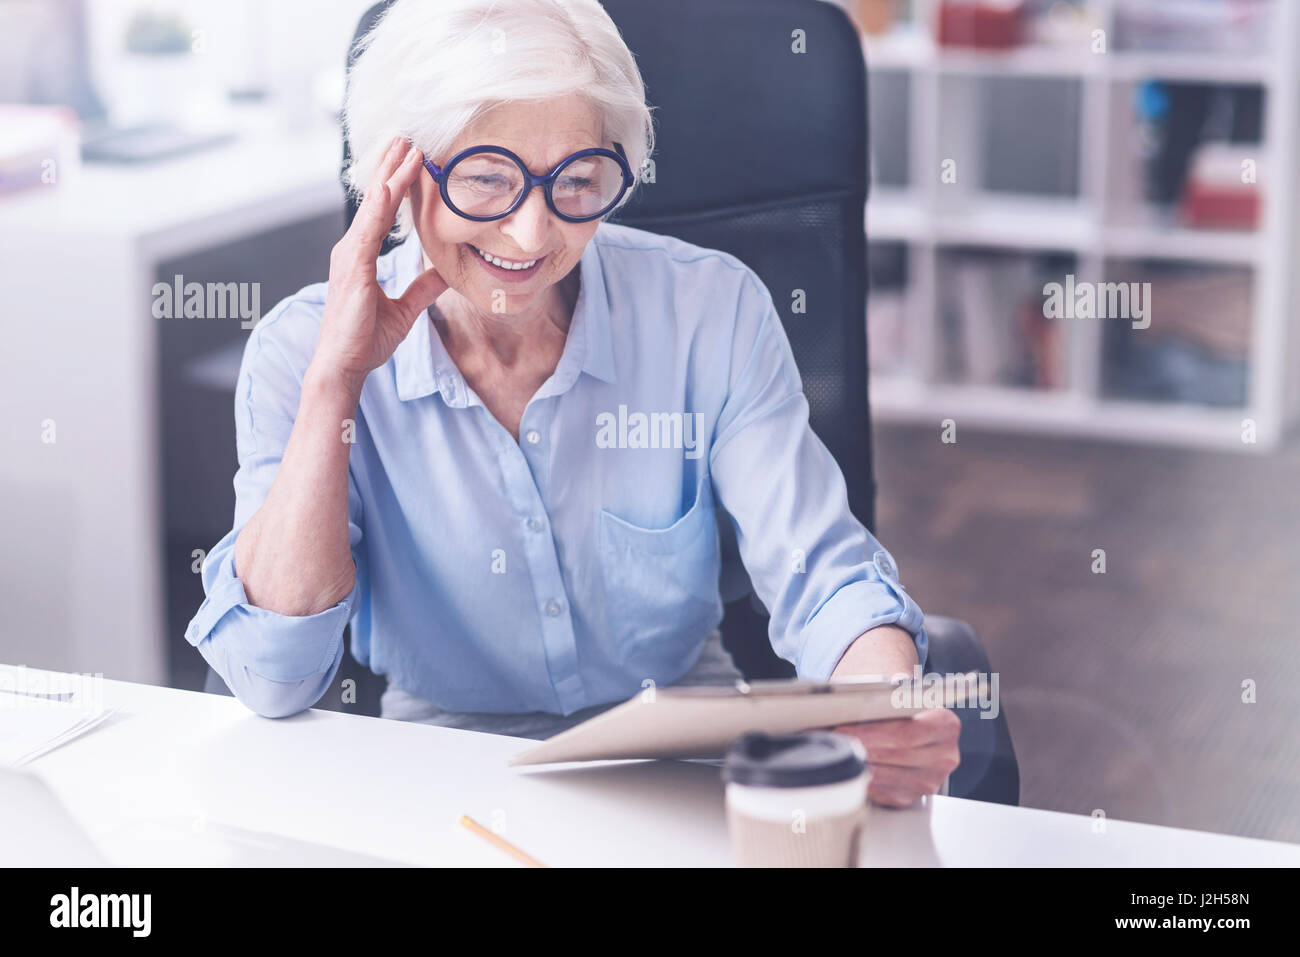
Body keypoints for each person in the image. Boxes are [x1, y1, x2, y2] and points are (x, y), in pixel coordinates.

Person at [185, 0, 958, 807]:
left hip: (682, 756)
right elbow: (275, 675)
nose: (530, 234)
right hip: (438, 772)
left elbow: (823, 573)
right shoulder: (297, 354)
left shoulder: (709, 311)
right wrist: (335, 381)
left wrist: (881, 704)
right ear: (397, 171)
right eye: (487, 179)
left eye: (578, 181)